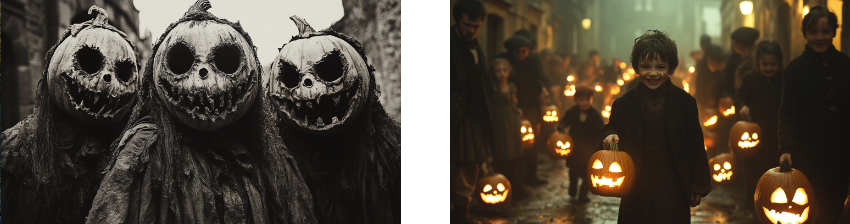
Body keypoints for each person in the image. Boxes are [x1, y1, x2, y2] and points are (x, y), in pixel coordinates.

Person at [599, 30, 711, 223]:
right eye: (645, 67)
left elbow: (695, 144)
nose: (652, 73)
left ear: (671, 68)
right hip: (636, 178)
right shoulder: (624, 103)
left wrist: (697, 185)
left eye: (660, 66)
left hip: (673, 179)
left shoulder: (685, 103)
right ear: (636, 67)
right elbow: (612, 126)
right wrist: (610, 135)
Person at [778, 6, 850, 224]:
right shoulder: (794, 69)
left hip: (841, 153)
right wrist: (786, 149)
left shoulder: (846, 65)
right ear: (805, 34)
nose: (820, 37)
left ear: (834, 32)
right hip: (807, 154)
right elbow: (787, 113)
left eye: (826, 31)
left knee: (834, 206)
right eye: (813, 32)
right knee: (807, 208)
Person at [450, 0, 497, 223]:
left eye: (477, 26)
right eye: (468, 25)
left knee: (470, 164)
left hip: (472, 117)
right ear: (457, 21)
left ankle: (462, 212)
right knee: (457, 164)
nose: (472, 30)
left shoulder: (477, 47)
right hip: (454, 116)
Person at [733, 40, 783, 223]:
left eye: (773, 64)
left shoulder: (784, 80)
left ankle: (773, 208)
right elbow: (739, 96)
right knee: (753, 176)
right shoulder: (750, 79)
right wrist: (743, 106)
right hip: (754, 134)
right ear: (758, 62)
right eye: (765, 64)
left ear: (779, 63)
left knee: (776, 175)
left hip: (776, 135)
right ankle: (754, 208)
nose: (769, 68)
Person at [497, 34, 551, 186]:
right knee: (515, 144)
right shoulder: (504, 62)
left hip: (531, 106)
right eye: (517, 52)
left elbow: (537, 80)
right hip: (512, 108)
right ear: (510, 51)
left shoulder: (532, 63)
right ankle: (516, 176)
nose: (521, 55)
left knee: (531, 142)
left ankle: (531, 174)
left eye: (524, 51)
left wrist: (542, 90)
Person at [489, 58, 530, 200]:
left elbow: (513, 103)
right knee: (502, 148)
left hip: (511, 120)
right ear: (493, 73)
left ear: (508, 72)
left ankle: (516, 183)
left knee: (513, 149)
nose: (501, 74)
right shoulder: (492, 88)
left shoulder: (512, 87)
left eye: (504, 71)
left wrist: (518, 110)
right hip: (499, 120)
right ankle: (502, 180)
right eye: (498, 71)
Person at [557, 85, 603, 203]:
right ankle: (573, 185)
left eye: (588, 99)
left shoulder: (595, 115)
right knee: (573, 170)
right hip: (574, 148)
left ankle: (583, 193)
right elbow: (564, 122)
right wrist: (561, 127)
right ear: (576, 99)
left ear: (591, 99)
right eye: (582, 100)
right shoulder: (572, 112)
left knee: (588, 173)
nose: (585, 102)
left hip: (589, 149)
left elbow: (601, 129)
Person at [718, 27, 760, 99]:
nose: (733, 45)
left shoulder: (755, 60)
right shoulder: (737, 58)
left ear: (741, 44)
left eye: (735, 42)